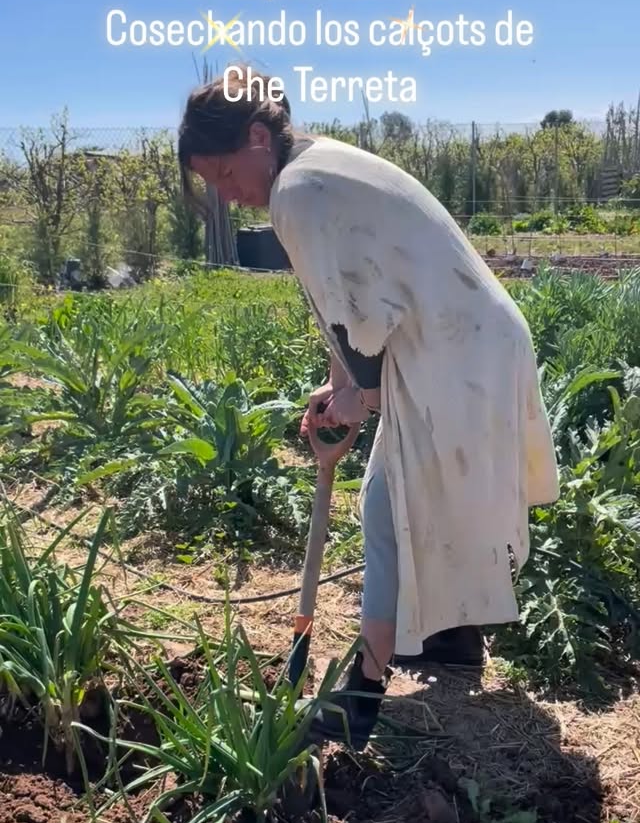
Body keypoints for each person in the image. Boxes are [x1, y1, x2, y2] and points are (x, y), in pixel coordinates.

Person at [177, 69, 560, 748]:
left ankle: (363, 695)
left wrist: (358, 396)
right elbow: (346, 303)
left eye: (225, 174)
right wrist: (341, 387)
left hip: (456, 353)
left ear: (258, 139)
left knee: (390, 506)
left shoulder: (297, 189)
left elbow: (361, 323)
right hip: (460, 343)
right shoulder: (315, 168)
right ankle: (449, 643)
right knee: (412, 499)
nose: (227, 195)